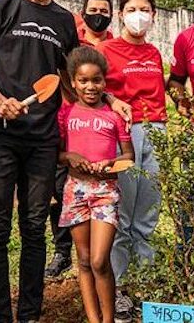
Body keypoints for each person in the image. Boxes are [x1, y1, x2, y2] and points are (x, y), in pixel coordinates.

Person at [0, 0, 130, 322]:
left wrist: (111, 101)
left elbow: (74, 81)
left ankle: (28, 314)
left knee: (33, 225)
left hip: (43, 140)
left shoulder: (62, 21)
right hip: (0, 135)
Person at [96, 0, 166, 322]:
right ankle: (121, 288)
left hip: (157, 131)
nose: (139, 15)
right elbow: (92, 85)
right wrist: (112, 101)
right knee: (122, 215)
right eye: (132, 9)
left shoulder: (154, 52)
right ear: (121, 14)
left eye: (145, 9)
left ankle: (146, 286)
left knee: (147, 214)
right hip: (123, 133)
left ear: (153, 15)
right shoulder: (106, 49)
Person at [58, 46, 134, 323]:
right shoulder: (65, 114)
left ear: (105, 81)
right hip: (75, 190)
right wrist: (71, 157)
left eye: (97, 80)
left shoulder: (115, 115)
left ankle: (108, 318)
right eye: (84, 80)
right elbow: (58, 154)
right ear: (73, 81)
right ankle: (94, 319)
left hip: (105, 192)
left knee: (100, 260)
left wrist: (110, 163)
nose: (91, 86)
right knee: (85, 259)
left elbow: (129, 157)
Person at [45, 0, 114, 280]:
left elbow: (107, 85)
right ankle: (63, 251)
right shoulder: (71, 41)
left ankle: (101, 260)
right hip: (66, 124)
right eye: (93, 9)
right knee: (61, 191)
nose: (98, 14)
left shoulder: (114, 46)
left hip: (100, 131)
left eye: (104, 10)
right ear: (82, 13)